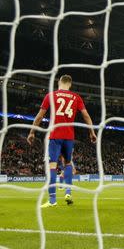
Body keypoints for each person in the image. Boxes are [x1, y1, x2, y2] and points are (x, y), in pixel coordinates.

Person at [27, 75, 96, 208]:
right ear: (70, 84)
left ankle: (52, 200)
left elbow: (40, 116)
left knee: (52, 166)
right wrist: (92, 132)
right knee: (68, 164)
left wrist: (31, 132)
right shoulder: (76, 97)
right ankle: (68, 192)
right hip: (69, 137)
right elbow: (86, 115)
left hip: (55, 135)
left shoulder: (50, 95)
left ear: (59, 83)